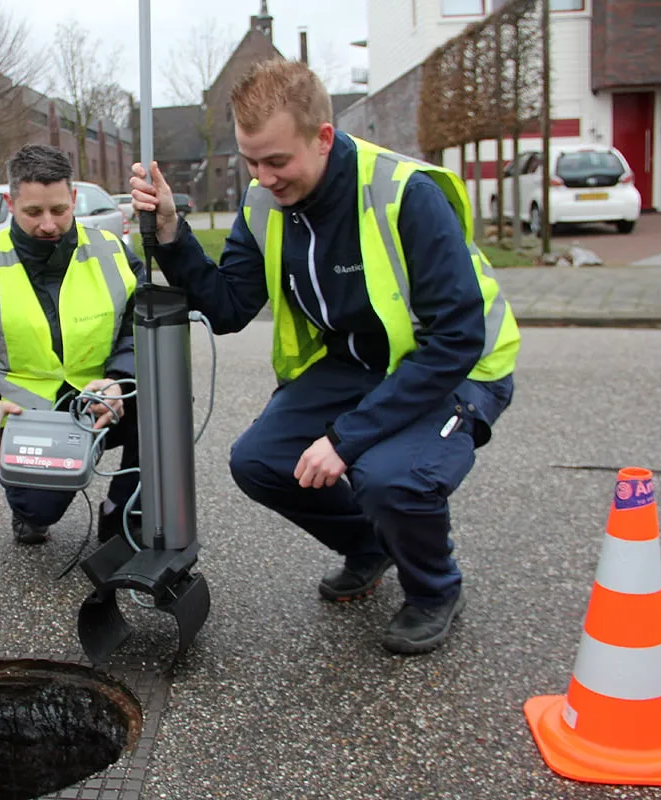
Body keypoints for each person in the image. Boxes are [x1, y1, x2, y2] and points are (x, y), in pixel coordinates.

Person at [130, 60, 519, 655]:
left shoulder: (405, 195)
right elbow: (229, 306)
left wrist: (346, 438)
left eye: (277, 161)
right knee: (259, 459)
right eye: (250, 162)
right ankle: (372, 547)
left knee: (386, 476)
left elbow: (455, 339)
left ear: (323, 137)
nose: (262, 178)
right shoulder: (263, 204)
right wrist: (170, 235)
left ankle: (436, 588)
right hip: (358, 363)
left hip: (455, 369)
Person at [0, 144, 146, 545]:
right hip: (28, 416)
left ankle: (123, 514)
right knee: (39, 509)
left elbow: (140, 331)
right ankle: (27, 509)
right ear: (10, 203)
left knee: (169, 405)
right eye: (33, 212)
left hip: (101, 401)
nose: (49, 225)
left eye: (60, 210)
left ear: (74, 199)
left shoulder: (116, 256)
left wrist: (121, 379)